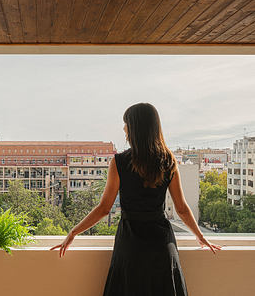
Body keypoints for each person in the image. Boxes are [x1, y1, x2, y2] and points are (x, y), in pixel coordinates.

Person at [50, 102, 221, 296]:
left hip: (131, 244)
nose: (124, 129)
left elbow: (104, 208)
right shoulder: (168, 161)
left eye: (126, 124)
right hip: (161, 244)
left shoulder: (119, 162)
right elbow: (181, 208)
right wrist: (200, 237)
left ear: (134, 127)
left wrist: (73, 232)